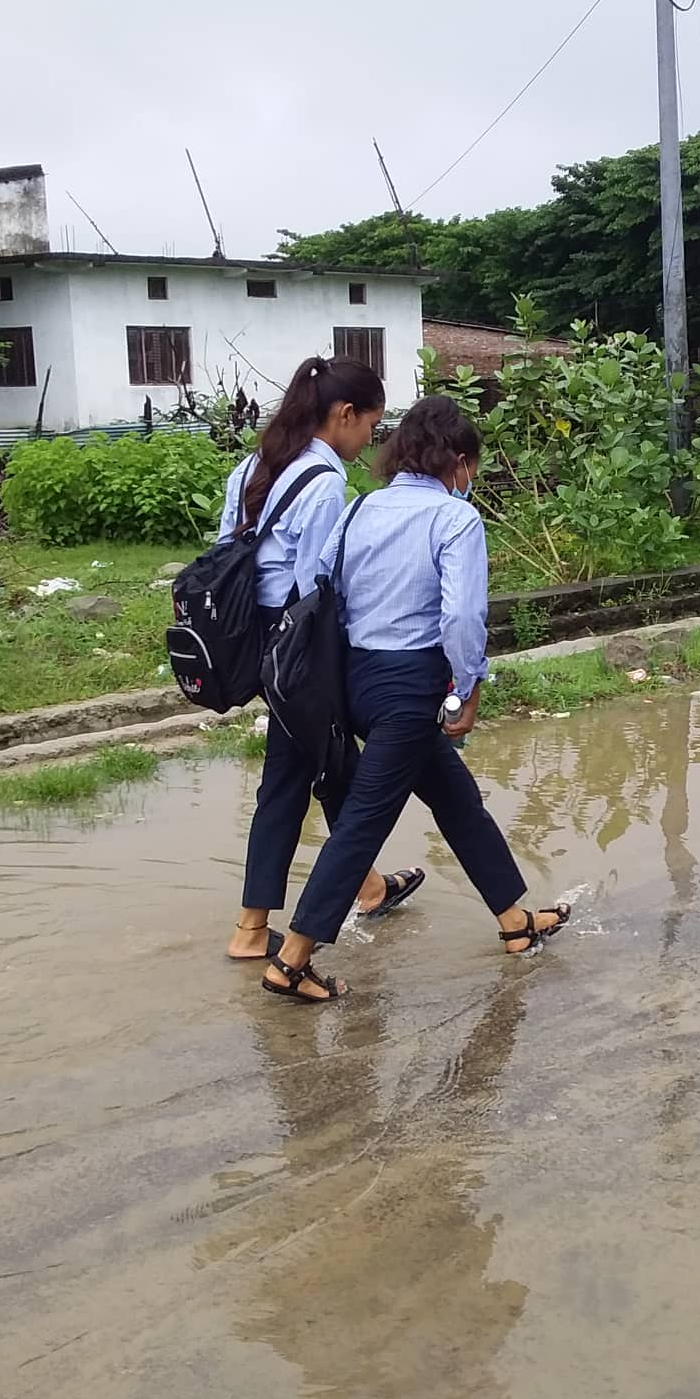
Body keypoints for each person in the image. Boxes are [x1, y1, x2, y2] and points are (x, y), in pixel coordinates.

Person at [261, 396, 573, 1002]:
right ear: (457, 462)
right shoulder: (455, 520)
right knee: (363, 823)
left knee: (458, 800)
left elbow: (316, 586)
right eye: (472, 469)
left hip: (354, 683)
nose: (471, 481)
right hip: (410, 687)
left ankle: (514, 923)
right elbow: (460, 615)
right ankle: (292, 961)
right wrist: (469, 686)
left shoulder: (361, 510)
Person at [220, 356, 425, 964]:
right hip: (294, 646)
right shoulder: (325, 479)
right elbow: (318, 582)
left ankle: (366, 886)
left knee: (330, 756)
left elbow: (229, 546)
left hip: (250, 638)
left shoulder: (253, 464)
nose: (371, 441)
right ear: (344, 415)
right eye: (370, 426)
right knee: (288, 775)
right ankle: (252, 930)